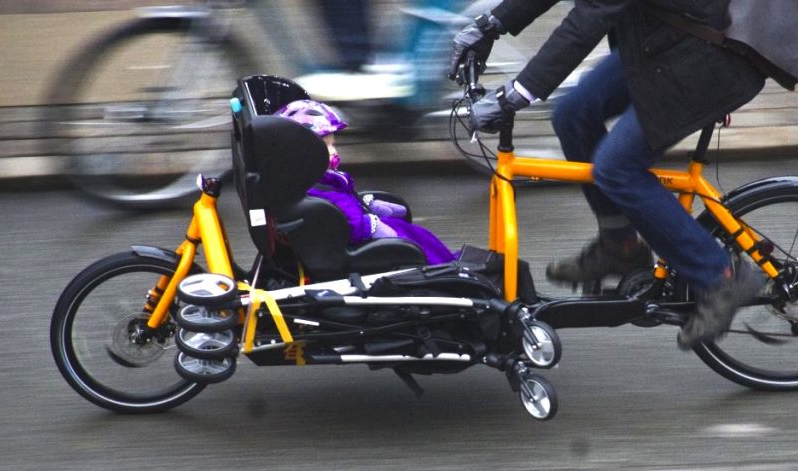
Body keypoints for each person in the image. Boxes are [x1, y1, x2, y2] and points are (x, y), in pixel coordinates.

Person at [448, 1, 765, 350]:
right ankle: (621, 244)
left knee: (617, 168)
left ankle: (718, 276)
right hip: (669, 41)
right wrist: (492, 23)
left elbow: (590, 15)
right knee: (572, 114)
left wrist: (517, 93)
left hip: (711, 55)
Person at [275, 99, 455, 264]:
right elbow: (348, 222)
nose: (334, 151)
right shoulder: (317, 191)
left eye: (333, 144)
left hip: (361, 231)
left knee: (419, 234)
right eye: (327, 145)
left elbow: (348, 205)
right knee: (412, 240)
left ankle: (447, 261)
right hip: (360, 242)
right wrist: (371, 224)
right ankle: (443, 266)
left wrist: (367, 204)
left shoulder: (317, 181)